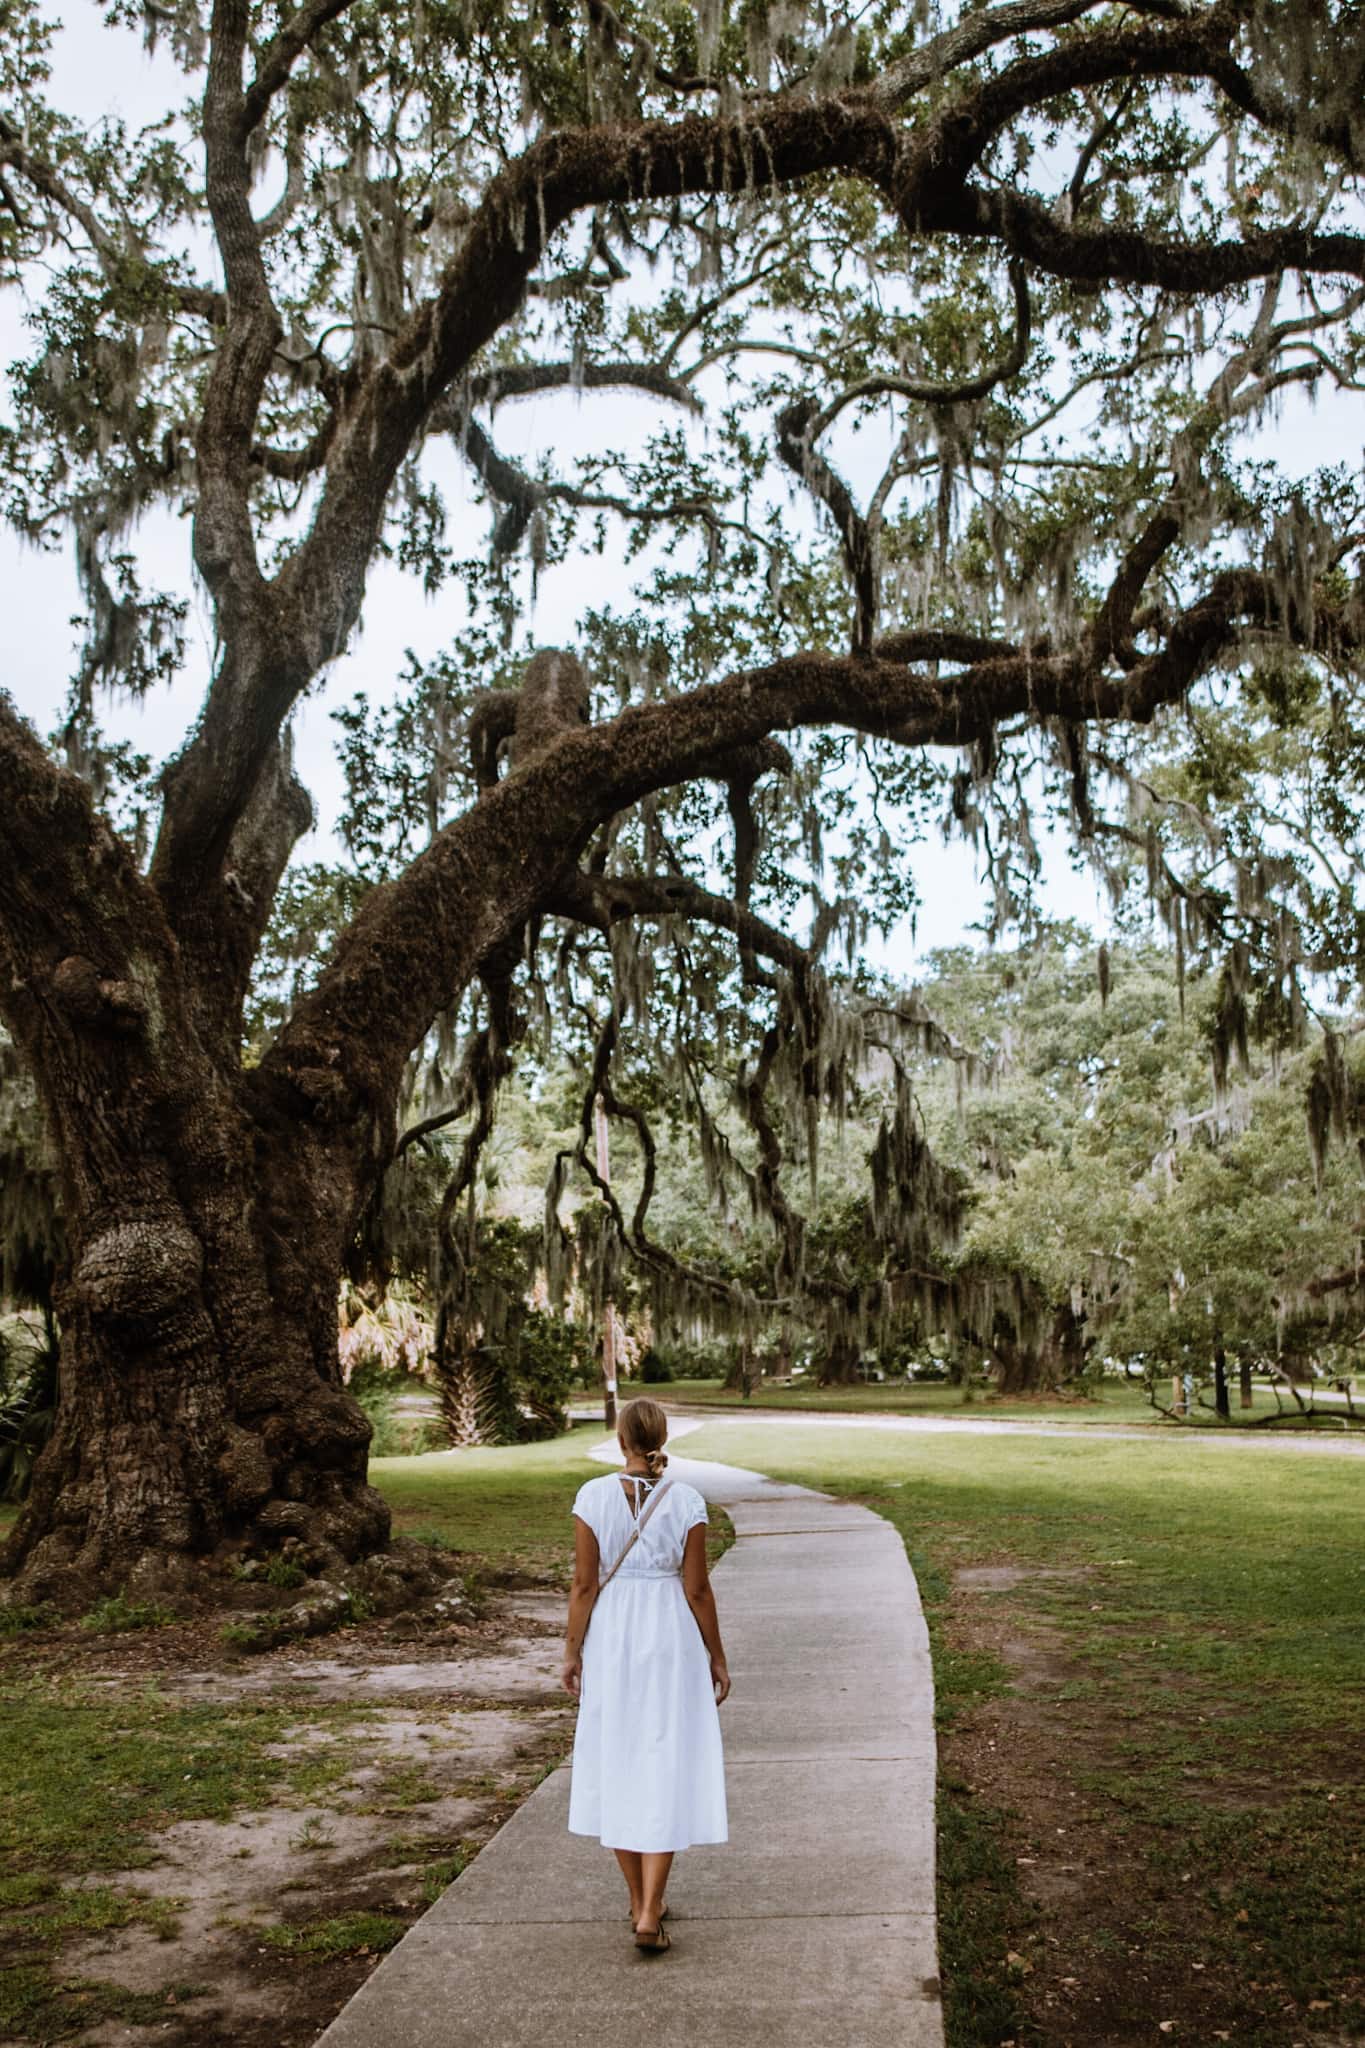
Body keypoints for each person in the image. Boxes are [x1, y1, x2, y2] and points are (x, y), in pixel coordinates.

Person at [560, 1396, 730, 1953]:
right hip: (669, 1637)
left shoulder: (592, 1496)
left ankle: (640, 1904)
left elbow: (584, 1586)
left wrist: (572, 1651)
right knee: (662, 1759)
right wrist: (717, 1655)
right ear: (662, 1439)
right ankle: (651, 1908)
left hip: (613, 1637)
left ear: (620, 1440)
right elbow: (697, 1589)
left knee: (620, 1757)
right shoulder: (686, 1501)